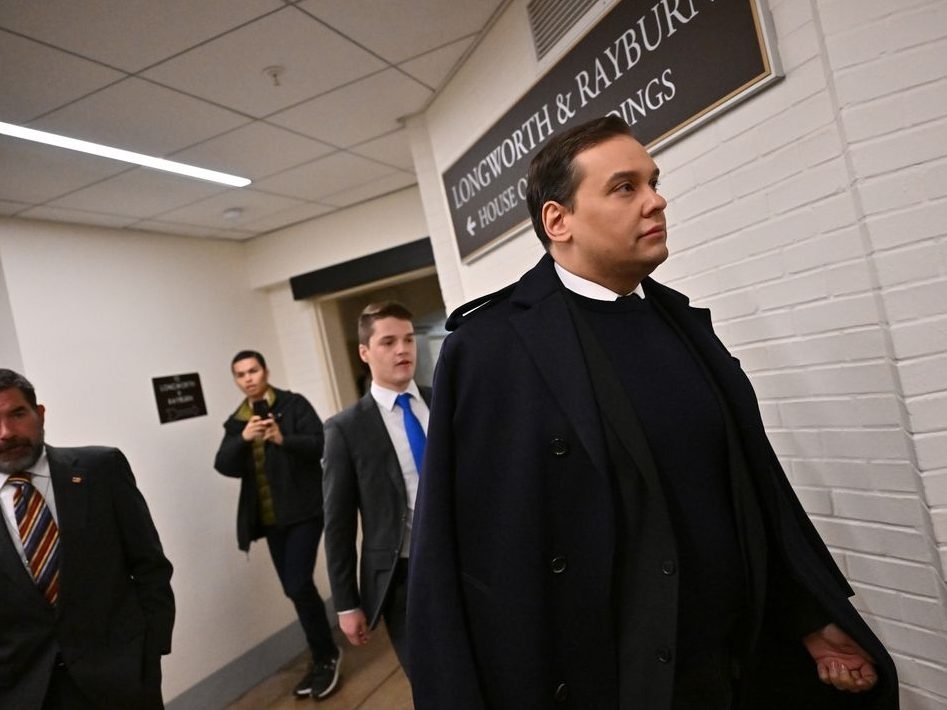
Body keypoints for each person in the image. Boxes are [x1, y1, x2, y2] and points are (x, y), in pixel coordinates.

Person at [406, 116, 898, 710]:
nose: (656, 200)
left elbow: (751, 493)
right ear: (557, 221)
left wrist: (810, 617)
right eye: (624, 187)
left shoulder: (685, 327)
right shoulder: (488, 349)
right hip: (600, 683)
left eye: (653, 182)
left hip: (729, 668)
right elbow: (451, 550)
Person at [0, 368, 175, 709]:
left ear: (40, 413)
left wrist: (149, 654)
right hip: (25, 691)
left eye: (17, 414)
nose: (5, 432)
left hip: (120, 680)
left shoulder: (100, 469)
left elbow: (150, 566)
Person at [213, 351, 341, 701]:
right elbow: (222, 463)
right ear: (236, 380)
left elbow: (322, 443)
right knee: (294, 588)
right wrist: (244, 438)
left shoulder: (293, 404)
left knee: (298, 583)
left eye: (253, 370)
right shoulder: (238, 420)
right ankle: (321, 655)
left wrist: (284, 439)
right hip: (270, 521)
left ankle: (327, 655)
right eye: (240, 374)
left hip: (305, 511)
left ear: (265, 371)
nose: (248, 378)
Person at [323, 302, 431, 675]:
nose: (403, 350)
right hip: (403, 578)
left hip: (468, 562)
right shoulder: (346, 429)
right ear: (364, 352)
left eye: (408, 339)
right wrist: (346, 603)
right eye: (388, 342)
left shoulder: (445, 401)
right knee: (432, 681)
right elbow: (337, 524)